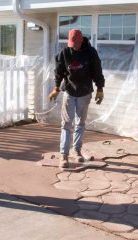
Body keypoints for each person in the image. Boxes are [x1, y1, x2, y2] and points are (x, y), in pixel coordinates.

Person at [49, 29, 105, 168]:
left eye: (75, 43)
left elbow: (97, 70)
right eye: (71, 43)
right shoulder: (65, 52)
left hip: (85, 92)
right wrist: (56, 88)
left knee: (80, 123)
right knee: (66, 123)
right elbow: (59, 71)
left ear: (81, 41)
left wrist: (100, 88)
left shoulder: (91, 53)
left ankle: (77, 151)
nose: (73, 45)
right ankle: (64, 155)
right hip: (69, 91)